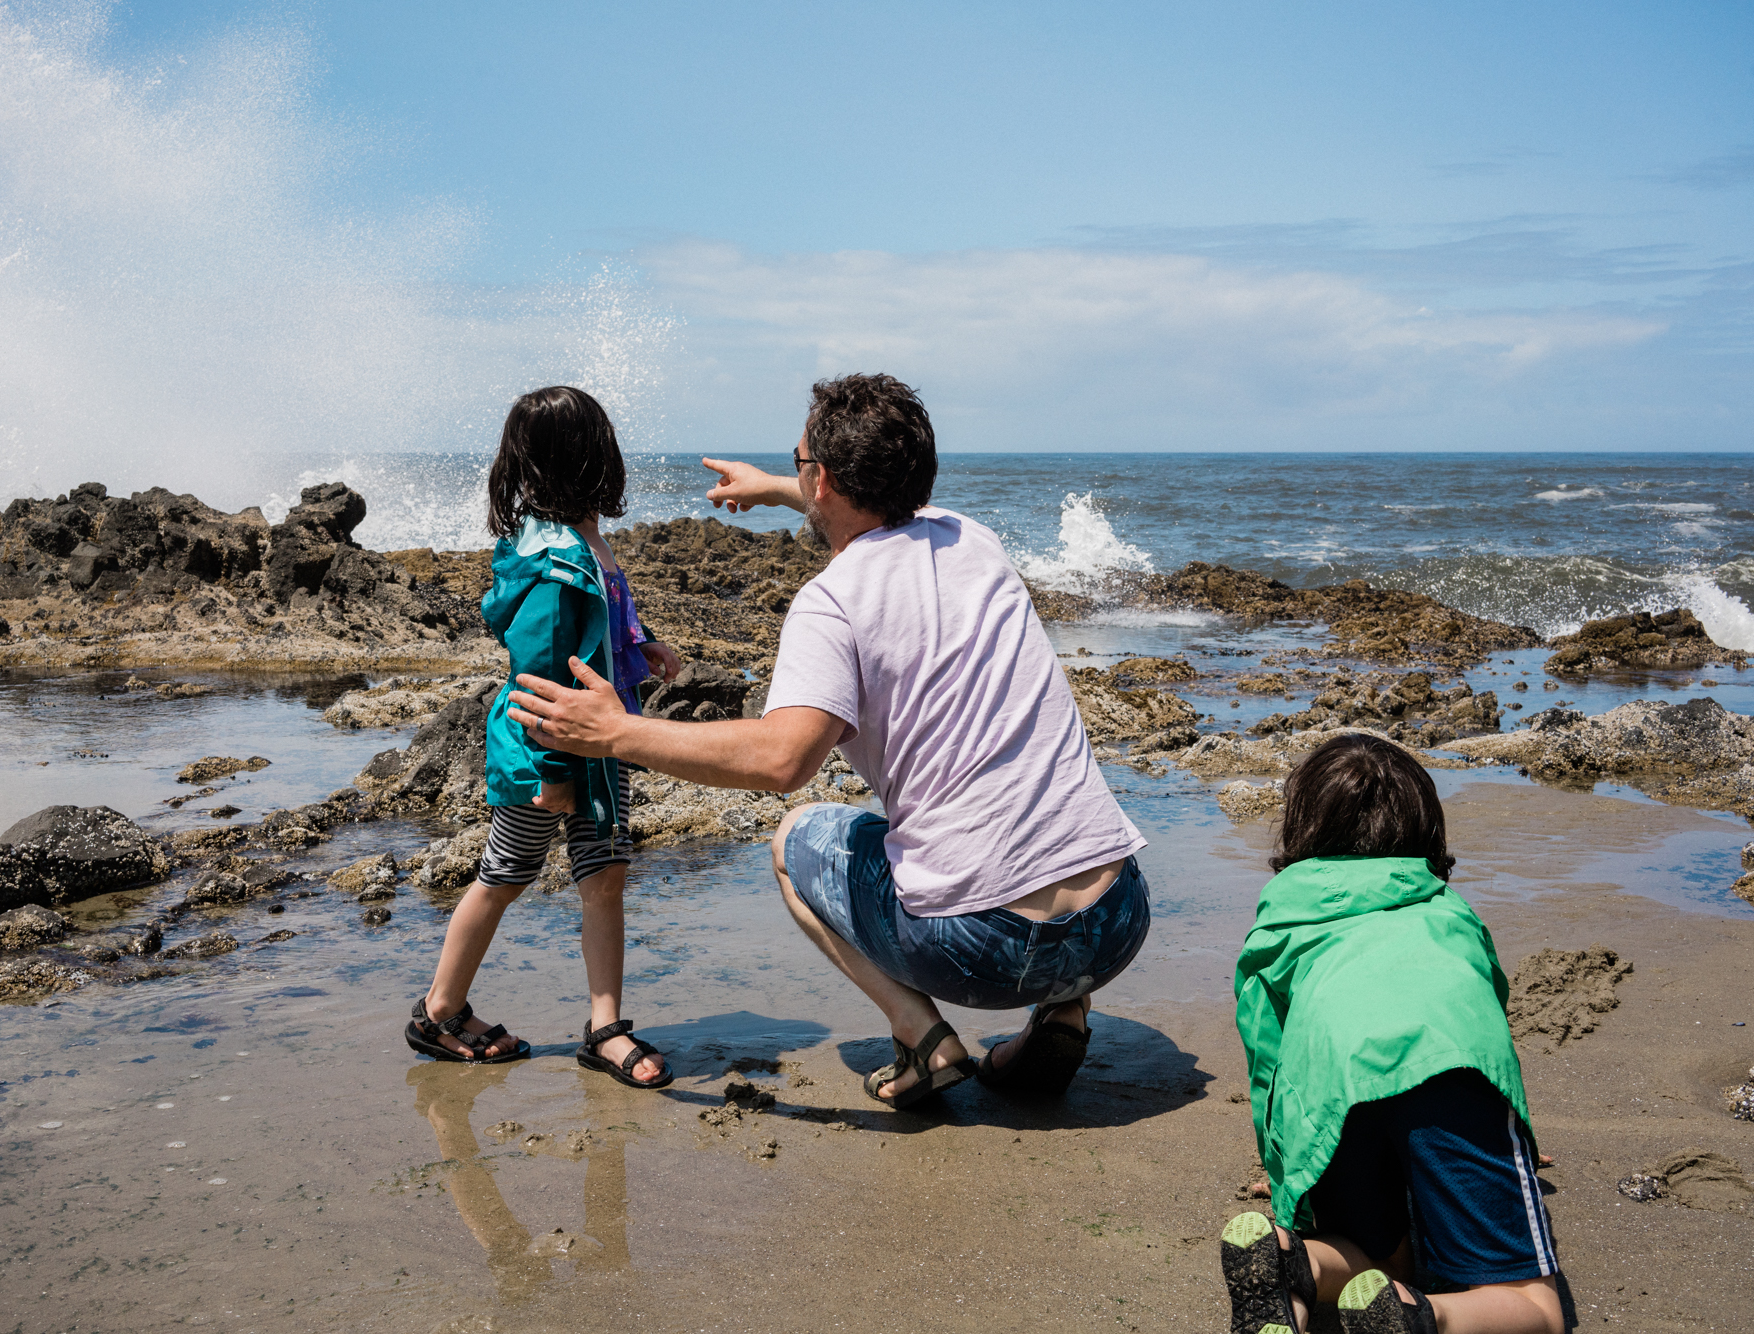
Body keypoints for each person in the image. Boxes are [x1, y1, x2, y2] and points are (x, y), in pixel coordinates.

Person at [504, 373, 1151, 1109]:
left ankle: (923, 1033)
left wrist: (620, 733)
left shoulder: (832, 602)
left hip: (986, 949)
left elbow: (784, 761)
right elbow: (881, 501)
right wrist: (781, 486)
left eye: (800, 460)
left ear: (828, 480)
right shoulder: (973, 538)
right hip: (1117, 917)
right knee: (1042, 866)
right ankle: (1066, 1007)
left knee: (798, 837)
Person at [1221, 733, 1564, 1334]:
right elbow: (1484, 1029)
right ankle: (1424, 1318)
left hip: (1331, 1092)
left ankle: (1291, 1269)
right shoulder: (1450, 912)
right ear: (1428, 830)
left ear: (1301, 830)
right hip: (1449, 1073)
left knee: (1380, 1253)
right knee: (1537, 1307)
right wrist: (1512, 1138)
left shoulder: (1280, 918)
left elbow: (1267, 1061)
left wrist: (1287, 1181)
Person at [406, 385, 683, 1090]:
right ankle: (439, 1010)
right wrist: (551, 771)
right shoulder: (551, 554)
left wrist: (640, 646)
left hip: (600, 740)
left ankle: (605, 1026)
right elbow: (541, 672)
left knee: (606, 876)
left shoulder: (583, 533)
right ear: (589, 456)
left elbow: (602, 622)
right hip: (549, 748)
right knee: (504, 875)